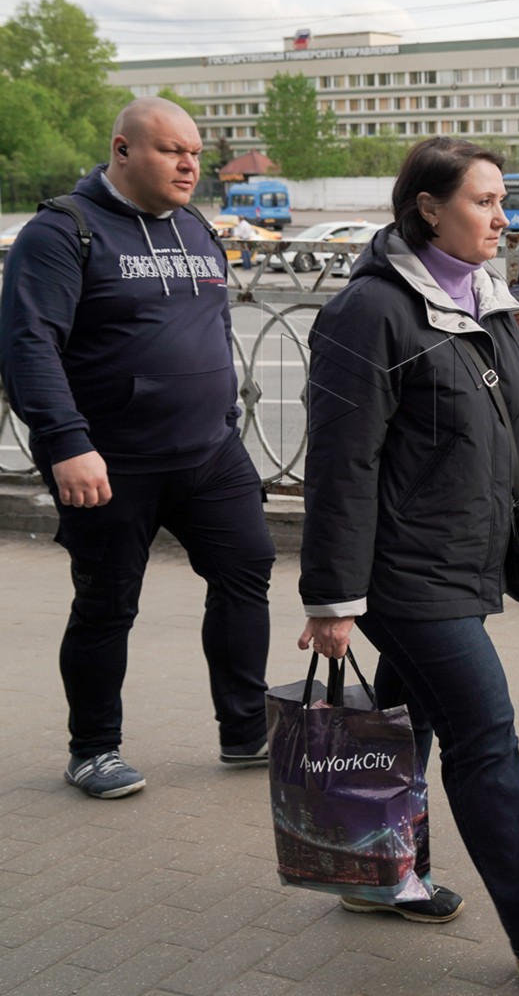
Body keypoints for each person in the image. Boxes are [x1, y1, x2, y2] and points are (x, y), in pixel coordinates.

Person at [298, 137, 519, 988]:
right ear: (427, 209)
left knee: (410, 726)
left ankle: (383, 874)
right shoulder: (368, 314)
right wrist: (332, 597)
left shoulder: (484, 295)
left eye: (505, 198)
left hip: (463, 553)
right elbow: (343, 463)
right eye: (484, 201)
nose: (505, 216)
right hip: (405, 571)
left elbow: (516, 418)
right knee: (485, 737)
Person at [0, 96, 273, 799]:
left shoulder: (195, 226)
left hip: (209, 453)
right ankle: (93, 748)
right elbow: (30, 345)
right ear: (123, 150)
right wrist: (64, 442)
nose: (189, 165)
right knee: (106, 605)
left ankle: (245, 731)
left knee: (246, 575)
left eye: (194, 152)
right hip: (110, 460)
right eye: (170, 150)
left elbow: (209, 330)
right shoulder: (64, 233)